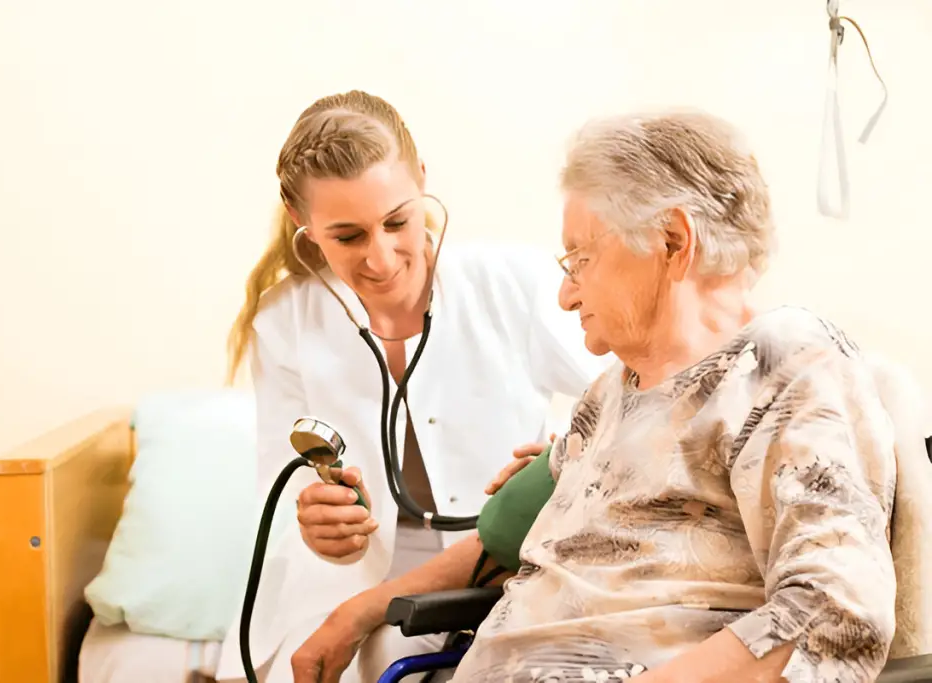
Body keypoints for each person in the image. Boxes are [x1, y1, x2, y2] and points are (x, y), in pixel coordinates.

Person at [289, 110, 899, 683]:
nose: (565, 295)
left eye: (581, 258)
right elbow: (501, 541)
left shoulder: (778, 364)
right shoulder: (608, 396)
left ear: (672, 242)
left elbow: (834, 612)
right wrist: (358, 611)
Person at [211, 90, 613, 683]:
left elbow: (637, 399)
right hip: (341, 583)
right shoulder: (284, 320)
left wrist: (565, 454)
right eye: (347, 237)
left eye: (397, 221)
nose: (381, 258)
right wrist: (318, 523)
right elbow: (285, 479)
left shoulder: (512, 283)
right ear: (303, 221)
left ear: (422, 178)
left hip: (493, 563)